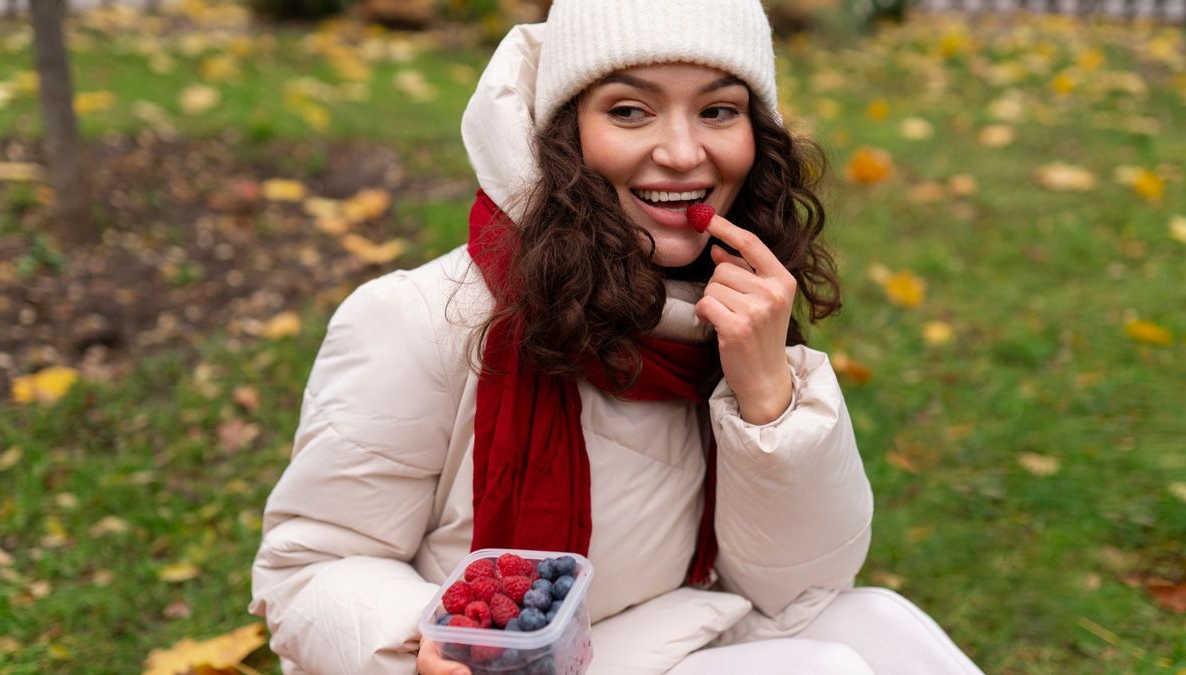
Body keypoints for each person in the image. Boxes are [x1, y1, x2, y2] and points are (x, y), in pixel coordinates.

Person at [249, 1, 986, 673]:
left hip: (655, 636)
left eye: (718, 111)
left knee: (880, 622)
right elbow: (312, 565)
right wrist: (424, 641)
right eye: (630, 110)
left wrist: (770, 398)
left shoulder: (734, 310)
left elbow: (801, 588)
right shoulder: (420, 317)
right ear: (563, 133)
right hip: (501, 663)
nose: (681, 152)